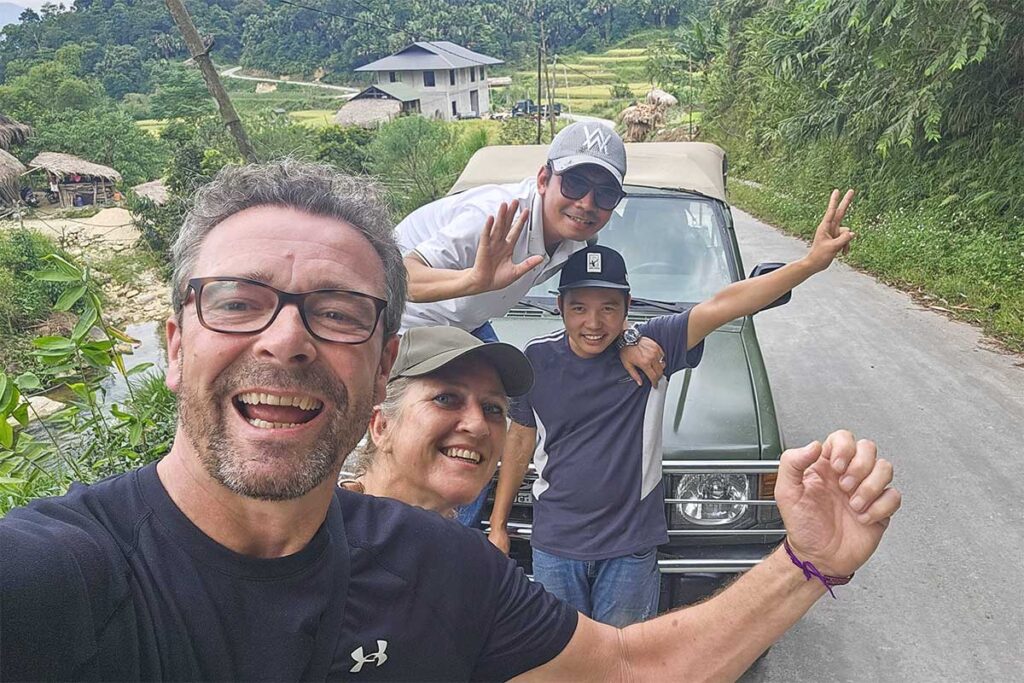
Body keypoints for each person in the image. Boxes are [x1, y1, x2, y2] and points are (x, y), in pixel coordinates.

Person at [0, 160, 901, 682]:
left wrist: (807, 559)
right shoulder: (62, 573)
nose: (285, 339)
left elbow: (632, 669)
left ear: (384, 359)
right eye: (238, 301)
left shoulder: (436, 564)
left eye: (339, 311)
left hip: (621, 545)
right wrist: (508, 512)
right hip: (558, 542)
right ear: (172, 343)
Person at [488, 190, 859, 627]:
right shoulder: (536, 360)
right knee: (558, 660)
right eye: (580, 308)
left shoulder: (656, 347)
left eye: (609, 308)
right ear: (560, 308)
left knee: (625, 661)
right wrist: (498, 523)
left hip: (629, 548)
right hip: (555, 545)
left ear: (627, 309)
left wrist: (810, 264)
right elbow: (521, 438)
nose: (593, 323)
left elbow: (726, 304)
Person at [396, 121, 664, 527]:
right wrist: (473, 281)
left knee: (501, 411)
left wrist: (625, 336)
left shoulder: (578, 237)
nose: (587, 203)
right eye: (574, 184)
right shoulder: (496, 217)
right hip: (408, 322)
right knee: (453, 432)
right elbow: (398, 278)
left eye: (604, 194)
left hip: (467, 322)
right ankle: (437, 530)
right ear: (543, 179)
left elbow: (593, 298)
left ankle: (465, 531)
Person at [341, 326, 533, 521]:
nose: (478, 425)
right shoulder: (318, 536)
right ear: (382, 426)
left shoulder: (463, 549)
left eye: (493, 408)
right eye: (446, 399)